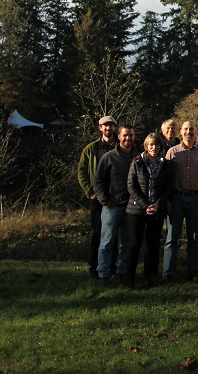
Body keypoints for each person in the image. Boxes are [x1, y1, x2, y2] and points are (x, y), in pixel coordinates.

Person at [163, 120, 198, 282]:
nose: (188, 131)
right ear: (181, 132)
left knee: (194, 238)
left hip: (196, 198)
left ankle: (193, 273)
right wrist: (166, 200)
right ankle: (168, 273)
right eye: (185, 129)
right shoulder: (172, 152)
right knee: (171, 238)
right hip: (175, 198)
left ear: (196, 132)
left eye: (191, 129)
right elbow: (165, 179)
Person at [126, 133, 175, 289]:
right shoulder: (137, 162)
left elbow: (168, 187)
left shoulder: (165, 164)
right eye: (151, 145)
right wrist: (145, 205)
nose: (154, 148)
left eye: (157, 145)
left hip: (156, 210)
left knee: (152, 244)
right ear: (146, 146)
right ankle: (130, 278)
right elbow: (131, 186)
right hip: (136, 209)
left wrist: (158, 204)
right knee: (134, 244)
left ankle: (148, 277)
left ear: (160, 146)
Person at [94, 124, 137, 283]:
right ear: (119, 136)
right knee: (106, 243)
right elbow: (98, 181)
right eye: (125, 135)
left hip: (131, 207)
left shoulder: (138, 157)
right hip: (111, 206)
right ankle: (103, 274)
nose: (128, 138)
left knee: (126, 243)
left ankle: (122, 272)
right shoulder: (109, 157)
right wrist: (104, 200)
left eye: (130, 135)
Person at [77, 115, 118, 279]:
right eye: (105, 126)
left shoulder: (120, 147)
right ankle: (94, 267)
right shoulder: (91, 148)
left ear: (115, 128)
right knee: (97, 234)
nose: (108, 128)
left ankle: (112, 267)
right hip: (97, 198)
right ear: (100, 128)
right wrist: (90, 192)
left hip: (116, 197)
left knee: (114, 235)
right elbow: (81, 171)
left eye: (111, 125)